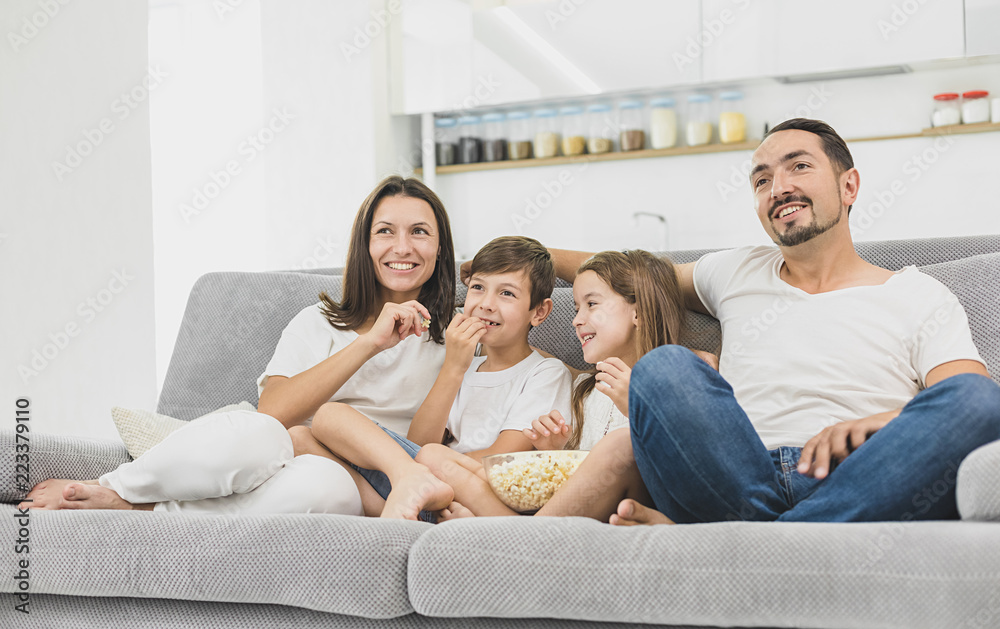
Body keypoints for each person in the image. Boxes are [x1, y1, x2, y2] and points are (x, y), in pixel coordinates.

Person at [540, 118, 1000, 525]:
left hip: (858, 475)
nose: (777, 187)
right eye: (762, 179)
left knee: (980, 398)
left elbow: (967, 398)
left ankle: (771, 537)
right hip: (734, 478)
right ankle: (807, 535)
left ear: (849, 186)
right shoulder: (735, 270)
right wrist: (531, 258)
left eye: (798, 166)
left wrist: (883, 422)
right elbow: (629, 276)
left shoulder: (916, 294)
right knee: (664, 368)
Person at [21, 176, 457, 516]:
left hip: (347, 478)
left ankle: (139, 509)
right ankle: (115, 488)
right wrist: (370, 343)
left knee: (326, 489)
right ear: (365, 245)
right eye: (385, 231)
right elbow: (273, 413)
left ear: (440, 250)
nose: (402, 247)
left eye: (419, 232)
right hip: (277, 452)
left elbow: (426, 446)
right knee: (256, 433)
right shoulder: (317, 321)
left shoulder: (455, 342)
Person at [309, 236, 574, 520]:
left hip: (476, 489)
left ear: (540, 311)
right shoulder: (465, 365)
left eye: (506, 293)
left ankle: (418, 492)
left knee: (431, 455)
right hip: (430, 484)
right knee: (306, 433)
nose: (486, 304)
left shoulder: (545, 372)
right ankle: (400, 502)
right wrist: (454, 367)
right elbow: (420, 440)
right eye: (478, 288)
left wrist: (439, 463)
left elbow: (502, 461)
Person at [425, 249, 692, 521]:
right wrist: (555, 448)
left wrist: (637, 406)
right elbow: (527, 356)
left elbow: (686, 460)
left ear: (639, 313)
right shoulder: (584, 388)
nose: (576, 319)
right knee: (431, 456)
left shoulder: (675, 381)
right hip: (569, 513)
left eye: (592, 304)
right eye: (577, 308)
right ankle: (507, 526)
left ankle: (515, 533)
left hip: (627, 503)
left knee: (621, 444)